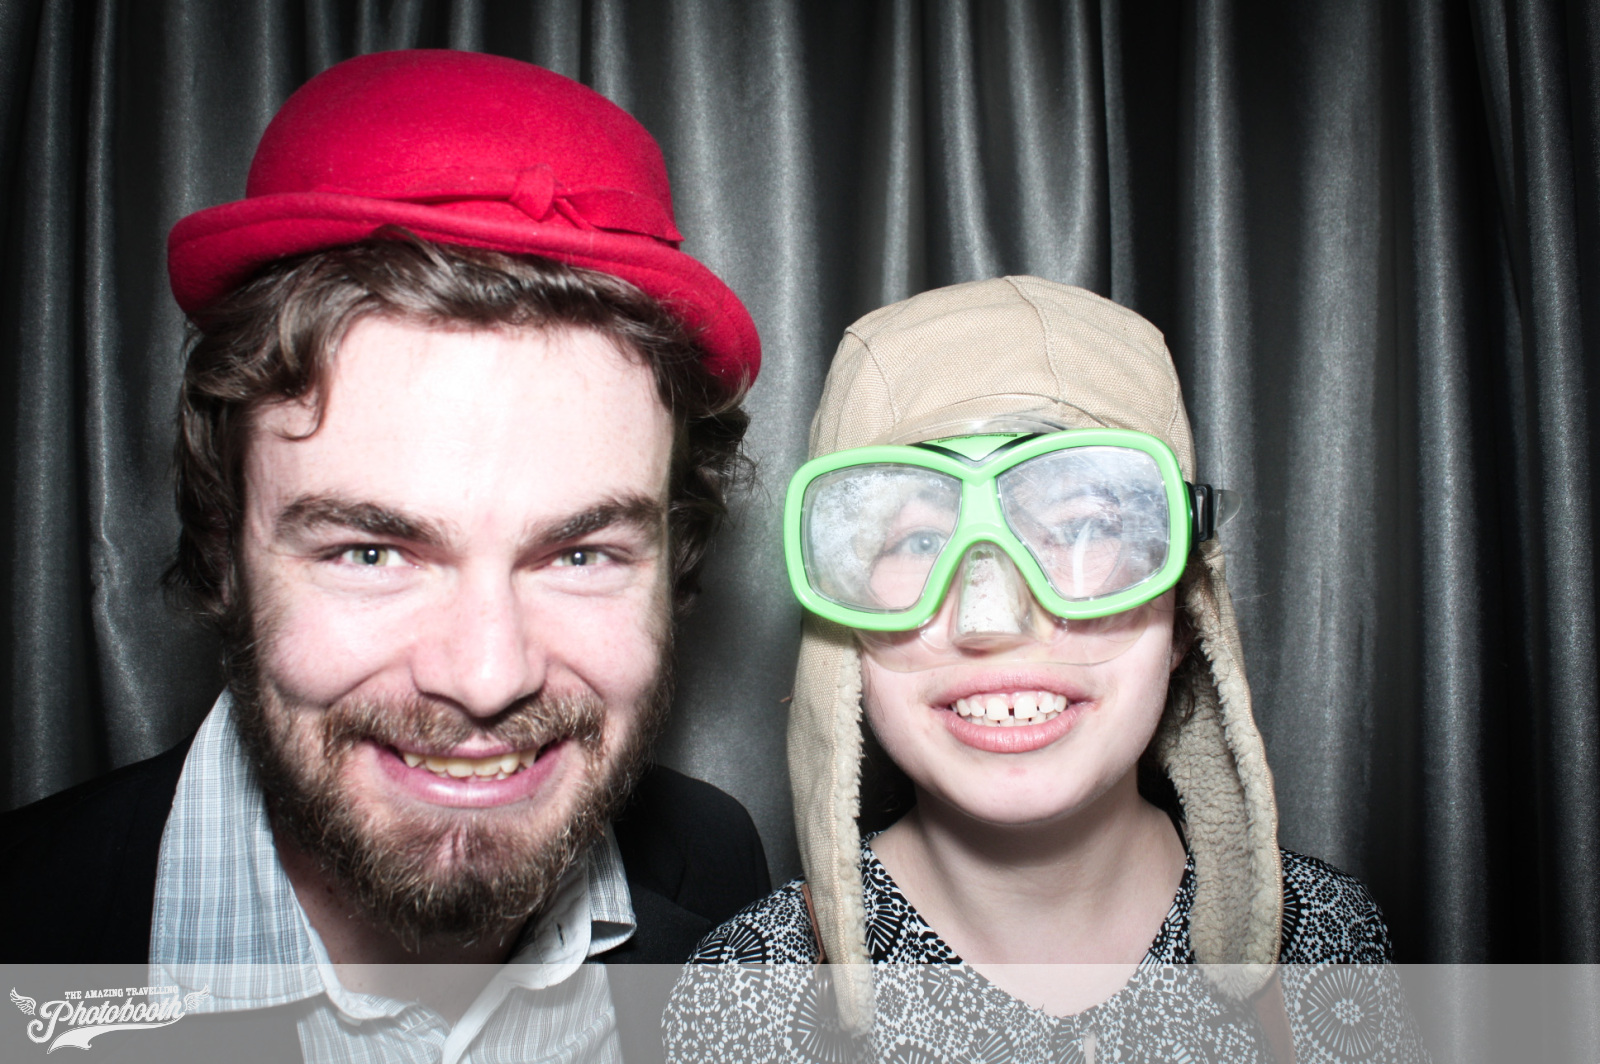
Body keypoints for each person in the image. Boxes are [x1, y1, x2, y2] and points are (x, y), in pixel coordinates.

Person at [0, 50, 769, 1060]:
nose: (487, 676)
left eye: (580, 555)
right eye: (371, 552)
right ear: (226, 547)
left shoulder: (723, 887)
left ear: (674, 563)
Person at [665, 278, 1425, 1062]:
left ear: (1184, 610)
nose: (991, 619)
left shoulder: (1331, 941)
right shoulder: (743, 1002)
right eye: (920, 541)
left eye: (1084, 527)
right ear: (844, 633)